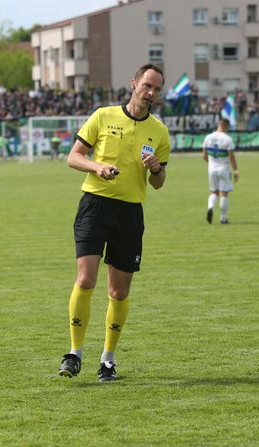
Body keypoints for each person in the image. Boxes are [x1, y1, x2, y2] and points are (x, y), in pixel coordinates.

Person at [58, 63, 170, 382]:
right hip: (95, 205)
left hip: (130, 211)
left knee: (119, 292)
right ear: (133, 83)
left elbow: (159, 183)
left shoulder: (159, 132)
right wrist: (97, 168)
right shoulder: (103, 116)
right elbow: (73, 157)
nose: (151, 93)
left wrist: (156, 169)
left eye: (157, 89)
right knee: (85, 278)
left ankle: (107, 360)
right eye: (147, 85)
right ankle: (74, 353)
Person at [203, 118, 239, 224]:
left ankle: (210, 207)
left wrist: (211, 164)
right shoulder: (227, 139)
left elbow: (204, 155)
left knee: (214, 192)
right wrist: (236, 170)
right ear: (226, 126)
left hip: (211, 169)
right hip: (224, 169)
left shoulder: (208, 137)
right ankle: (223, 218)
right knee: (224, 193)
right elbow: (231, 156)